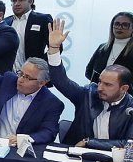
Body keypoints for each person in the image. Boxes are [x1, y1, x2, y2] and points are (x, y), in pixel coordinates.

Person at [0, 31, 63, 145]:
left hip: (20, 149)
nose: (21, 79)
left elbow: (49, 131)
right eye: (21, 73)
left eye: (27, 77)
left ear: (41, 83)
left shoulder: (52, 103)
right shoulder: (9, 81)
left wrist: (25, 139)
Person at [47, 18, 133, 149]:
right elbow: (61, 81)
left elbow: (129, 144)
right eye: (100, 82)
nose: (100, 88)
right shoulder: (88, 94)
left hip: (113, 161)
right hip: (76, 156)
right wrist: (54, 49)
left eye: (108, 85)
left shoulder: (130, 109)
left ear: (124, 88)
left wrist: (89, 142)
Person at [6, 0, 52, 72]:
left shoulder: (43, 19)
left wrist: (39, 66)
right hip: (8, 74)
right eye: (14, 1)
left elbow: (55, 48)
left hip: (33, 75)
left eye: (21, 0)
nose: (17, 4)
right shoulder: (6, 22)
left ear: (31, 1)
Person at [83, 11, 133, 83]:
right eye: (116, 24)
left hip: (124, 93)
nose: (119, 27)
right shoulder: (102, 48)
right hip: (98, 92)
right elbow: (88, 72)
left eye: (125, 25)